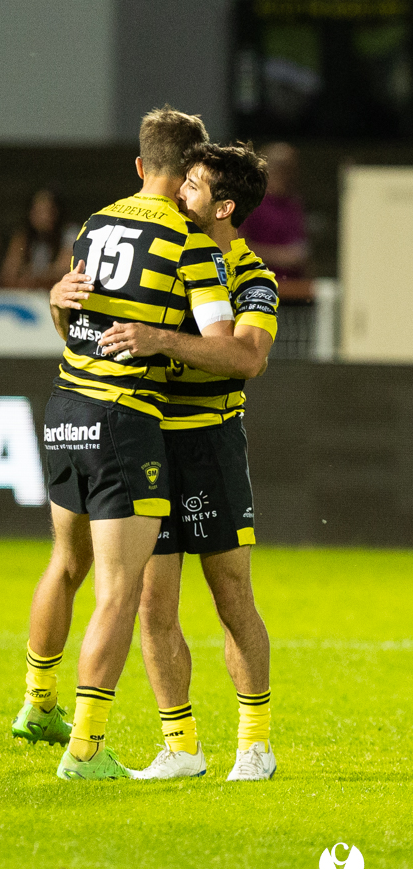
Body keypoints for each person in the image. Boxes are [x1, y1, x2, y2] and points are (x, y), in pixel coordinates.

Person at [8, 107, 234, 781]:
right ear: (191, 170)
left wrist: (54, 298)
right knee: (120, 590)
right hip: (121, 417)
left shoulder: (96, 224)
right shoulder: (190, 243)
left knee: (64, 564)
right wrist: (167, 339)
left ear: (139, 165)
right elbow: (225, 349)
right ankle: (87, 748)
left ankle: (38, 703)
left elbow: (70, 319)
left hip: (65, 405)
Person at [82, 142, 278, 782]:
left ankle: (254, 743)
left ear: (223, 207)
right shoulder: (165, 254)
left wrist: (162, 339)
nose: (177, 191)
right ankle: (183, 746)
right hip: (151, 439)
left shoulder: (254, 279)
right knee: (151, 604)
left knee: (232, 597)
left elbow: (247, 360)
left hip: (210, 444)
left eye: (191, 185)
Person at [238, 141, 308, 280]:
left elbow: (301, 249)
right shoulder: (250, 201)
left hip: (293, 287)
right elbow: (236, 247)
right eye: (282, 168)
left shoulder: (294, 203)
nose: (288, 175)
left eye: (292, 168)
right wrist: (280, 256)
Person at [0, 188, 78, 289]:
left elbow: (64, 271)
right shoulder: (23, 237)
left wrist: (35, 276)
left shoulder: (70, 234)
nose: (42, 217)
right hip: (31, 298)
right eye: (37, 211)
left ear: (57, 212)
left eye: (46, 211)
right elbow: (8, 274)